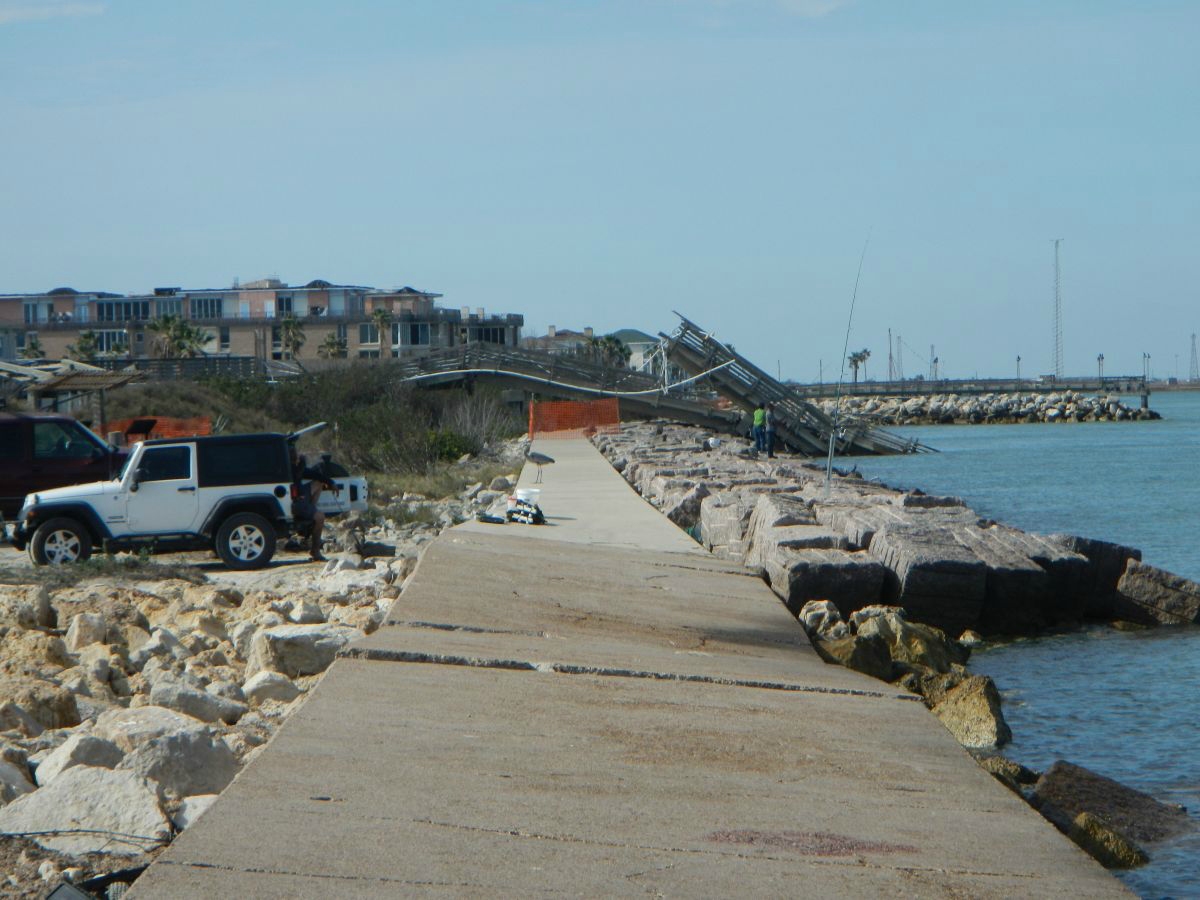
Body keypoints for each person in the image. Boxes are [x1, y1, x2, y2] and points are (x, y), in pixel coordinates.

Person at [290, 444, 338, 562]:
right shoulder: (293, 468)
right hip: (297, 501)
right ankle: (315, 551)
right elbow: (300, 473)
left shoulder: (290, 467)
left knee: (318, 483)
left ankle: (311, 509)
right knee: (320, 517)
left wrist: (329, 482)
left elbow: (314, 475)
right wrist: (301, 463)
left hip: (298, 496)